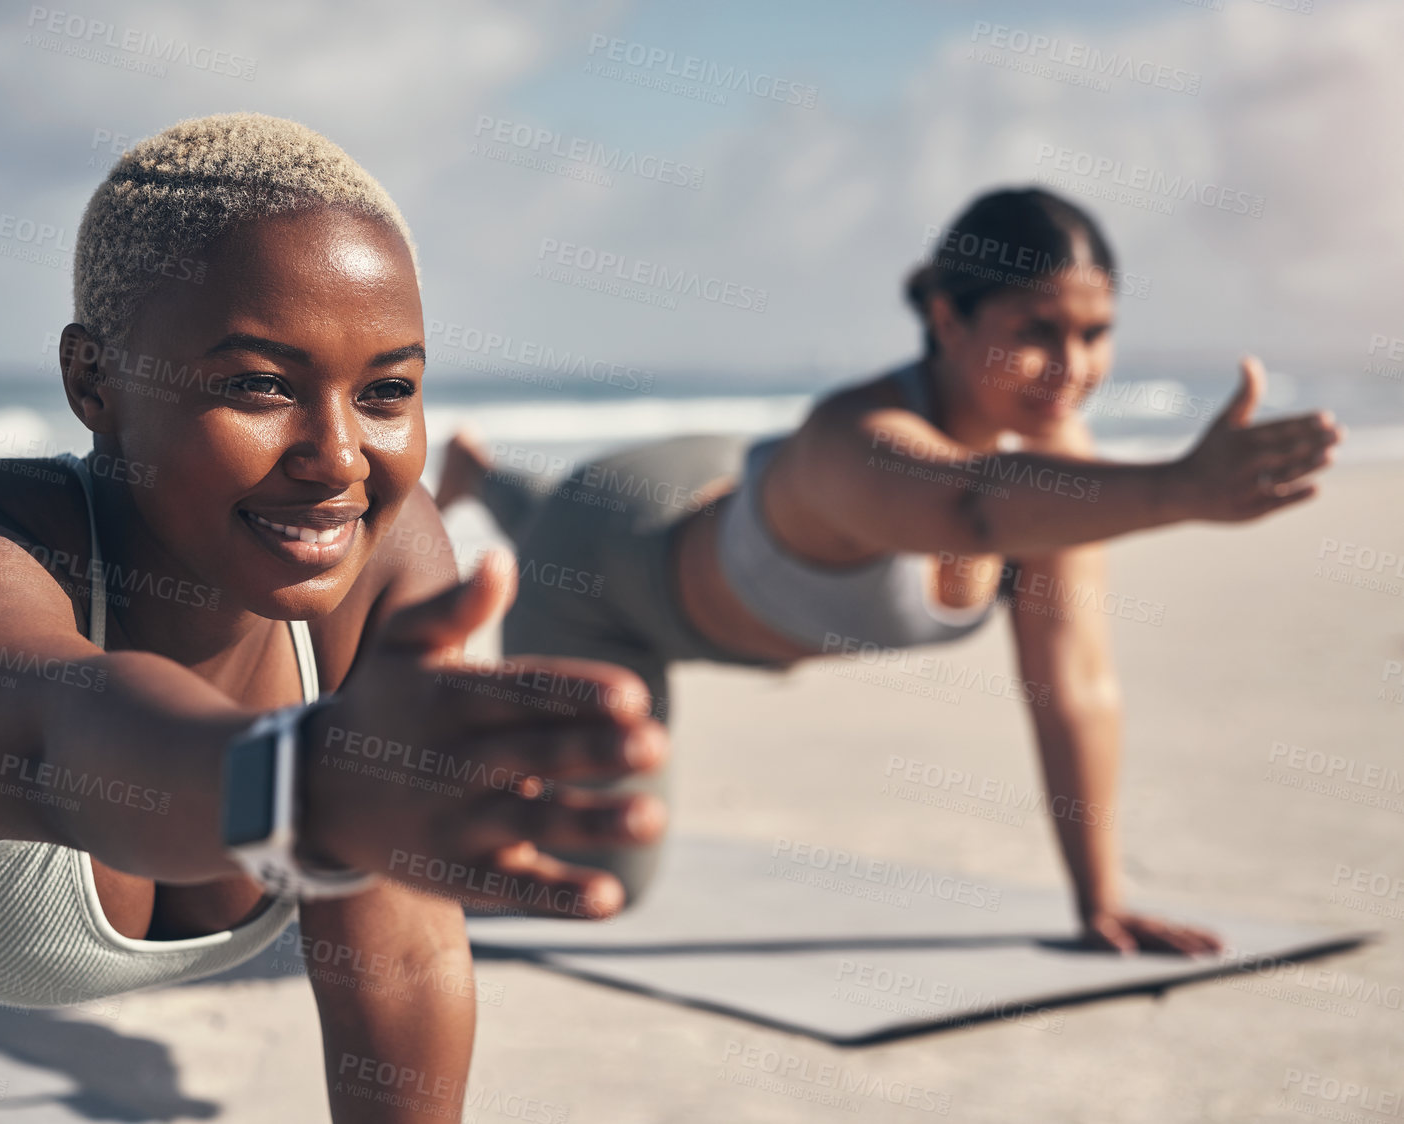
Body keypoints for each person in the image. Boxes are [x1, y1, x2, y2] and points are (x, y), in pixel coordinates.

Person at [0, 112, 668, 1124]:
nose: (340, 456)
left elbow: (397, 953)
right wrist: (299, 779)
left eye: (386, 389)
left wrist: (346, 792)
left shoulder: (382, 561)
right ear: (92, 378)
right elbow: (67, 733)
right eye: (259, 384)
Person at [436, 187, 1341, 953]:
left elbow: (1075, 682)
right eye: (1038, 331)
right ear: (946, 319)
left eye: (1096, 333)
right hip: (610, 570)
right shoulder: (857, 439)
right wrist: (1179, 486)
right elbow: (971, 508)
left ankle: (490, 478)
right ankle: (515, 497)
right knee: (599, 883)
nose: (1073, 368)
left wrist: (1097, 900)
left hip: (714, 484)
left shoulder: (1061, 464)